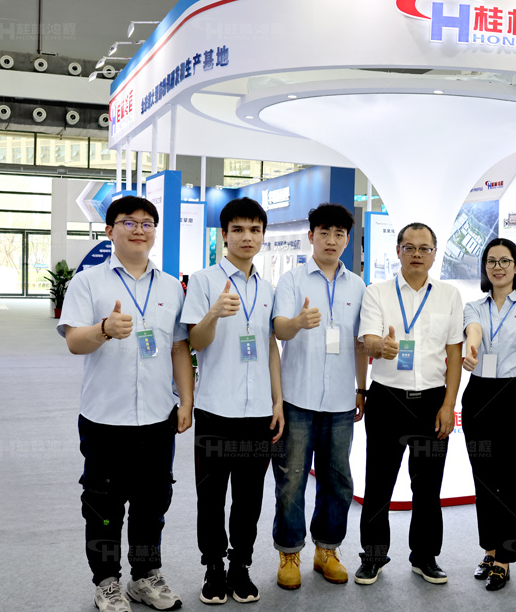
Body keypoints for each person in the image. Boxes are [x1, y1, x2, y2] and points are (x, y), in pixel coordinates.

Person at [58, 196, 194, 612]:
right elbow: (73, 341)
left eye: (147, 223)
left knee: (153, 503)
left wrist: (186, 400)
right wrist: (103, 328)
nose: (139, 230)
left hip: (157, 416)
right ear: (109, 231)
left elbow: (178, 348)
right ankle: (106, 582)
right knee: (103, 506)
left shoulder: (170, 286)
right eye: (128, 222)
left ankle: (144, 576)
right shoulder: (88, 282)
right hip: (105, 418)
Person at [182, 197, 284, 605]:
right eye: (238, 229)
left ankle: (240, 565)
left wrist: (278, 400)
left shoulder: (267, 287)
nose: (247, 237)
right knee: (210, 497)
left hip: (258, 412)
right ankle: (213, 566)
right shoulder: (204, 280)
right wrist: (213, 314)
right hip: (215, 410)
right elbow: (195, 342)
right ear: (224, 235)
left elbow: (270, 345)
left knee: (249, 497)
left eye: (255, 230)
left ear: (262, 236)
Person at [355, 222, 464, 586]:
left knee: (428, 486)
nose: (417, 254)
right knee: (378, 483)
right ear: (398, 251)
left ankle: (425, 557)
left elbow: (454, 353)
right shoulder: (377, 292)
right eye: (410, 247)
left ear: (434, 254)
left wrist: (448, 405)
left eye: (424, 248)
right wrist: (380, 347)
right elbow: (368, 340)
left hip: (432, 401)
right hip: (387, 399)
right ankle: (373, 557)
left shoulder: (449, 295)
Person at [272, 203, 367, 590]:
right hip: (298, 397)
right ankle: (289, 553)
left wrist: (361, 388)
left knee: (338, 479)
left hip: (342, 401)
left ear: (347, 239)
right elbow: (279, 330)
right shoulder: (292, 280)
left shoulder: (358, 286)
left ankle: (327, 550)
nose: (331, 240)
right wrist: (297, 322)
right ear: (311, 236)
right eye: (324, 232)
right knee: (291, 479)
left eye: (339, 234)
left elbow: (360, 343)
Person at [460, 238, 516, 591]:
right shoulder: (473, 306)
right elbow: (474, 331)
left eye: (505, 261)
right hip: (478, 396)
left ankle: (504, 559)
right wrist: (472, 348)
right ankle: (489, 550)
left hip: (514, 397)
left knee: (510, 481)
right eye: (491, 261)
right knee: (484, 480)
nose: (498, 267)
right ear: (485, 267)